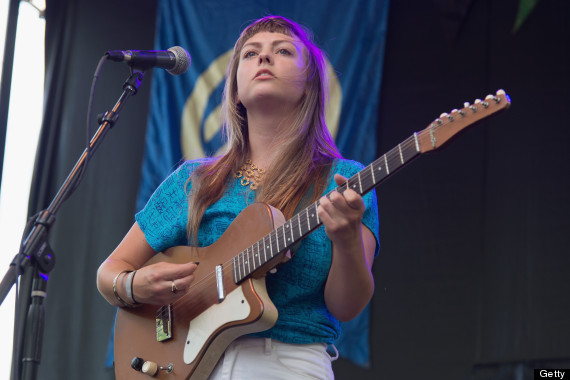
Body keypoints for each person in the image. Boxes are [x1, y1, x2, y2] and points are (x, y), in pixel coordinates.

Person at [97, 15, 379, 379]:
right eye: (250, 53)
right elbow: (110, 272)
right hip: (184, 367)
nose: (264, 58)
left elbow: (347, 306)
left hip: (289, 364)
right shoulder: (193, 180)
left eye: (282, 51)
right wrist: (134, 286)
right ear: (235, 88)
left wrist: (346, 239)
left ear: (310, 84)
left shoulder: (343, 179)